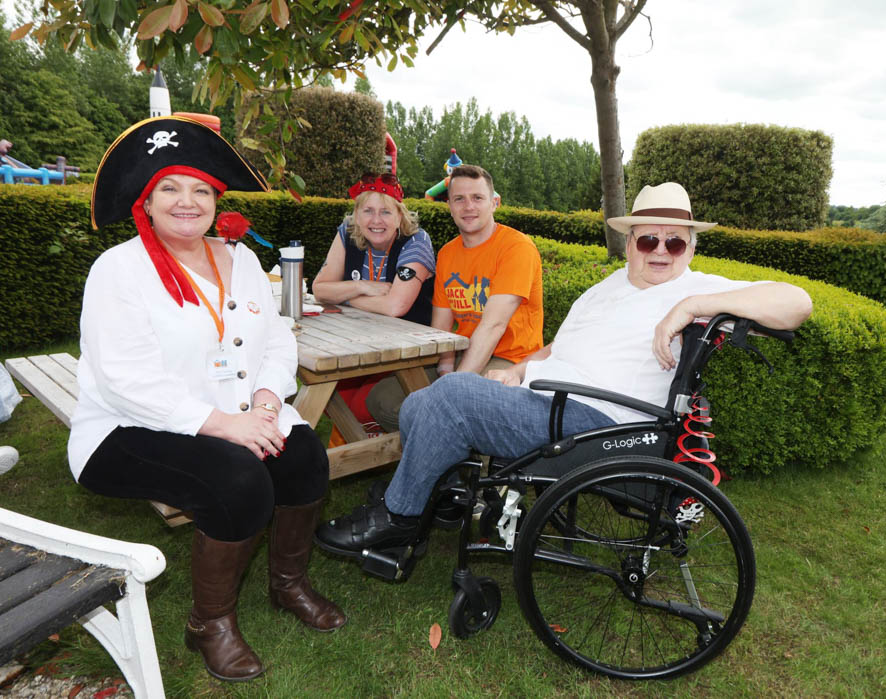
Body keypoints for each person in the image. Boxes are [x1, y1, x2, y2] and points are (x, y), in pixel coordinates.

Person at [316, 182, 813, 551]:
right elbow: (556, 348)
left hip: (599, 424)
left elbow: (797, 302)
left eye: (675, 242)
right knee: (420, 401)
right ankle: (435, 493)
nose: (660, 251)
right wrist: (518, 370)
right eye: (648, 240)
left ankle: (400, 517)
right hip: (548, 398)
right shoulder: (606, 288)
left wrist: (687, 308)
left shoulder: (696, 288)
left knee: (449, 395)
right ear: (629, 242)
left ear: (691, 248)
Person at [69, 116, 344, 683]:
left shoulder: (240, 260)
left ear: (217, 199)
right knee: (236, 478)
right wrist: (222, 424)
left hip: (236, 414)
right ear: (145, 201)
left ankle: (288, 585)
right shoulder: (117, 270)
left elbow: (275, 340)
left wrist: (267, 403)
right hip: (124, 428)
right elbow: (125, 379)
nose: (186, 201)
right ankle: (209, 623)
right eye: (169, 187)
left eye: (200, 189)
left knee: (306, 454)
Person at [361, 163, 544, 431]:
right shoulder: (447, 254)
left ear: (495, 203)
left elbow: (493, 327)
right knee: (381, 399)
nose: (468, 206)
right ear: (450, 206)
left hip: (508, 360)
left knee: (453, 407)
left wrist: (451, 388)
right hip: (464, 352)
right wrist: (445, 370)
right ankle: (444, 452)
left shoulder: (516, 249)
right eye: (459, 199)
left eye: (477, 198)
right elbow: (442, 327)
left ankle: (462, 460)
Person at [311, 174, 435, 434]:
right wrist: (362, 286)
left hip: (408, 351)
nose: (376, 220)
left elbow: (395, 307)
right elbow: (320, 289)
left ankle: (377, 458)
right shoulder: (347, 232)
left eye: (386, 212)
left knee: (360, 407)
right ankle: (352, 458)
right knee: (332, 395)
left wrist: (344, 295)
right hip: (359, 344)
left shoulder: (416, 241)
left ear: (400, 216)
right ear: (356, 215)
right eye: (367, 210)